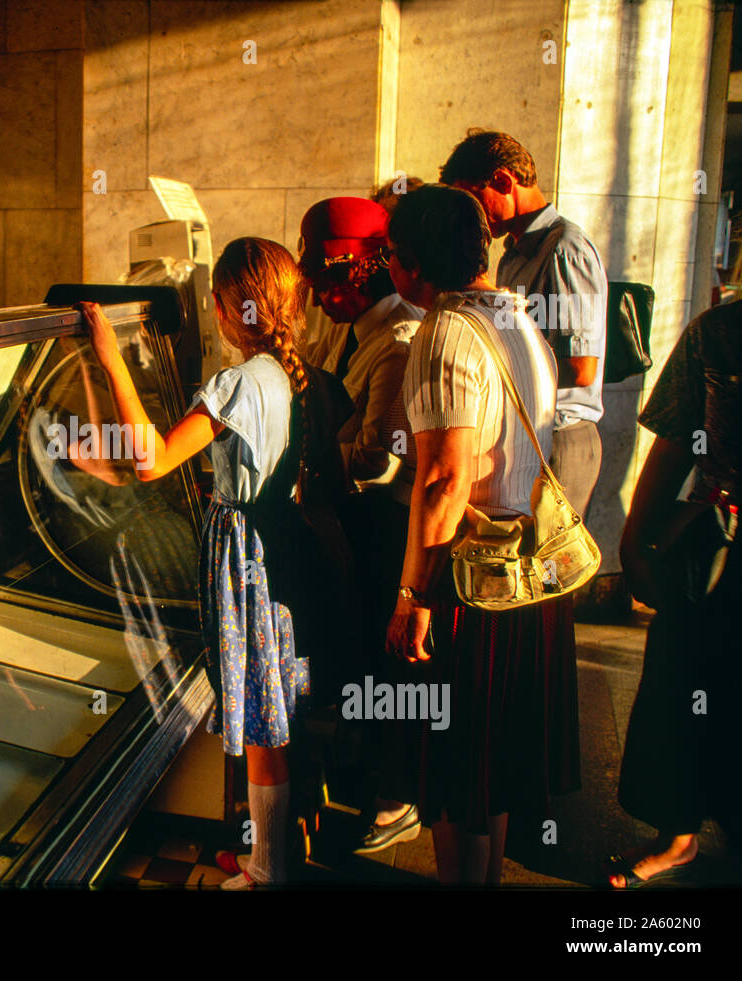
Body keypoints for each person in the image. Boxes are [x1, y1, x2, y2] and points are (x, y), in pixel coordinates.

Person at [81, 238, 336, 888]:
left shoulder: (238, 381)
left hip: (245, 561)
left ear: (231, 309)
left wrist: (109, 355)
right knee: (274, 721)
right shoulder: (286, 373)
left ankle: (266, 873)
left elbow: (152, 458)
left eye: (218, 301)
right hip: (276, 549)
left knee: (260, 728)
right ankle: (272, 858)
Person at [386, 185, 579, 885]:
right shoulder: (520, 323)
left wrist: (414, 595)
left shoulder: (446, 332)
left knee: (459, 764)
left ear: (408, 262)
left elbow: (442, 480)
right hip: (530, 577)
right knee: (489, 776)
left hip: (473, 585)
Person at [296, 196, 424, 852]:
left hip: (387, 525)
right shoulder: (347, 322)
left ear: (365, 271)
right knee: (354, 655)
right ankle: (363, 762)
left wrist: (315, 459)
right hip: (350, 518)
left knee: (388, 662)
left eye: (328, 285)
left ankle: (397, 793)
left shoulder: (399, 338)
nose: (320, 301)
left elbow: (381, 454)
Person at [610, 296, 742, 887]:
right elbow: (675, 437)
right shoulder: (720, 332)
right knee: (685, 687)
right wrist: (635, 537)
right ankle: (679, 835)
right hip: (720, 542)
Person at [441, 130, 607, 518]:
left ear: (502, 181)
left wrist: (491, 379)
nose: (471, 217)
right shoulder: (513, 255)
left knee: (553, 568)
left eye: (473, 200)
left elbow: (581, 368)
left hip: (562, 436)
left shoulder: (564, 248)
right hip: (530, 436)